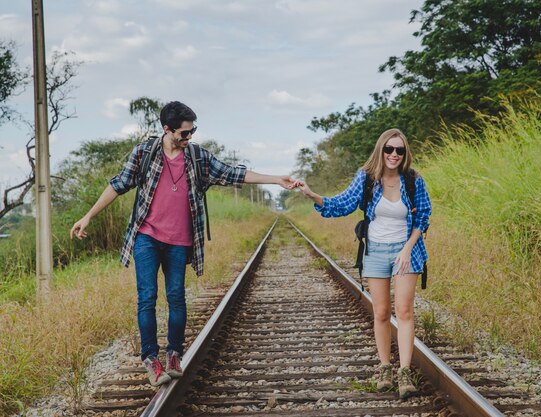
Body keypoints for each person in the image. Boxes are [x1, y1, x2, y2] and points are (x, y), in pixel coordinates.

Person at [70, 101, 298, 386]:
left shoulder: (197, 157)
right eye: (184, 133)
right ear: (167, 130)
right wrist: (88, 216)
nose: (189, 138)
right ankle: (151, 359)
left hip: (180, 241)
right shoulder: (144, 153)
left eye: (192, 132)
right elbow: (118, 184)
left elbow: (233, 173)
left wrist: (276, 179)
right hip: (147, 237)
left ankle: (174, 353)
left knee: (176, 296)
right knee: (147, 297)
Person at [297, 128, 431, 400]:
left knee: (404, 311)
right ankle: (385, 368)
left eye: (400, 150)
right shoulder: (367, 179)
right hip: (375, 252)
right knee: (381, 312)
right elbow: (341, 205)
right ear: (381, 150)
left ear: (405, 154)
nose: (394, 154)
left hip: (406, 252)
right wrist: (313, 195)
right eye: (389, 149)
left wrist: (407, 249)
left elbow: (423, 217)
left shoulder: (414, 180)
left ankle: (404, 372)